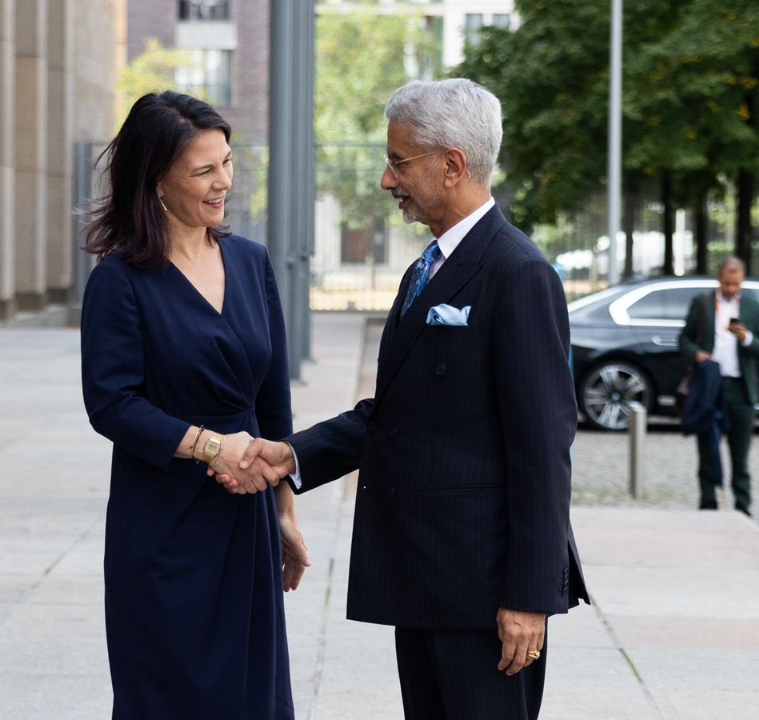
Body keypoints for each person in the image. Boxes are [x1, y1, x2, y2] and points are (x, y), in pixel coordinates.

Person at [217, 79, 589, 720]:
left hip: (485, 595)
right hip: (427, 579)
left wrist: (530, 598)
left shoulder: (517, 272)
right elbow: (395, 414)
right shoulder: (432, 267)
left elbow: (542, 451)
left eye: (399, 162)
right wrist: (293, 457)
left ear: (452, 166)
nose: (388, 180)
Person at [78, 91, 310, 720]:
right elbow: (110, 403)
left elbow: (272, 401)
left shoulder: (252, 261)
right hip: (163, 525)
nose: (223, 183)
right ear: (156, 182)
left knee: (251, 695)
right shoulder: (119, 280)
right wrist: (212, 445)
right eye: (204, 171)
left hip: (248, 519)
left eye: (227, 163)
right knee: (172, 693)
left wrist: (284, 514)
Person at [678, 257, 759, 515]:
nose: (732, 289)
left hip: (741, 389)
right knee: (708, 449)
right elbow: (683, 340)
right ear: (719, 279)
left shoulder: (751, 307)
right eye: (728, 283)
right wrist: (697, 354)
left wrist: (747, 338)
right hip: (710, 386)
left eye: (737, 284)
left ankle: (743, 508)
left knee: (740, 456)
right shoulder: (703, 303)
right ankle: (708, 503)